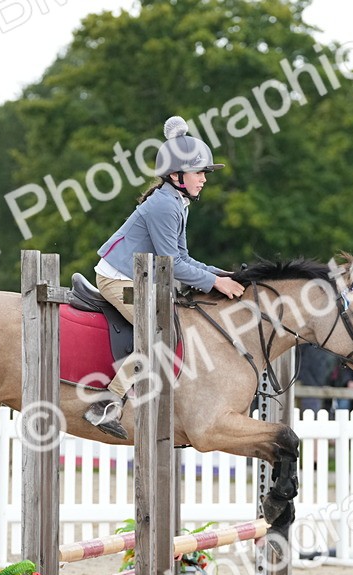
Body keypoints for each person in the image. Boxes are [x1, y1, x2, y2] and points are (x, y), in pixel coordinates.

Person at [83, 115, 245, 437]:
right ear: (176, 175)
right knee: (159, 333)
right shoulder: (164, 206)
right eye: (199, 172)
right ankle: (107, 402)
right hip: (118, 279)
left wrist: (219, 273)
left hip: (136, 276)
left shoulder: (177, 202)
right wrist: (215, 283)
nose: (204, 179)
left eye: (204, 172)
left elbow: (182, 259)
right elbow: (172, 266)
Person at [296, 343, 336, 416]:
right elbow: (304, 368)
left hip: (320, 386)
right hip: (311, 387)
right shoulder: (312, 349)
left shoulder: (325, 350)